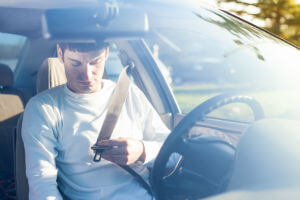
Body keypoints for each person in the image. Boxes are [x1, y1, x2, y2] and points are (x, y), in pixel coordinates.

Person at [21, 41, 170, 199]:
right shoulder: (43, 108)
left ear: (106, 53)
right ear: (60, 53)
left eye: (95, 62)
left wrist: (142, 150)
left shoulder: (130, 94)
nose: (86, 74)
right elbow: (42, 184)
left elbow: (174, 153)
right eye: (75, 63)